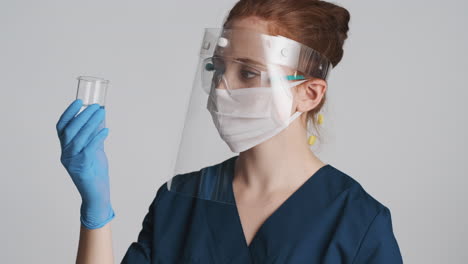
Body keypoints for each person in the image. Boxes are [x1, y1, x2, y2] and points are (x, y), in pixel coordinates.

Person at [56, 0, 403, 263]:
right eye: (217, 67)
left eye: (249, 73)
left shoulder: (356, 220)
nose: (221, 86)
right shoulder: (181, 200)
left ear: (308, 94)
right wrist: (96, 212)